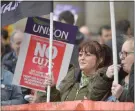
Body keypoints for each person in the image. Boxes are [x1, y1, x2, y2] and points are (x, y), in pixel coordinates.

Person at [32, 40, 113, 103]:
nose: (82, 58)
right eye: (80, 55)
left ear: (100, 59)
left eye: (87, 55)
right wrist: (52, 87)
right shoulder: (72, 79)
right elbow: (59, 104)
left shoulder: (103, 81)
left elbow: (94, 97)